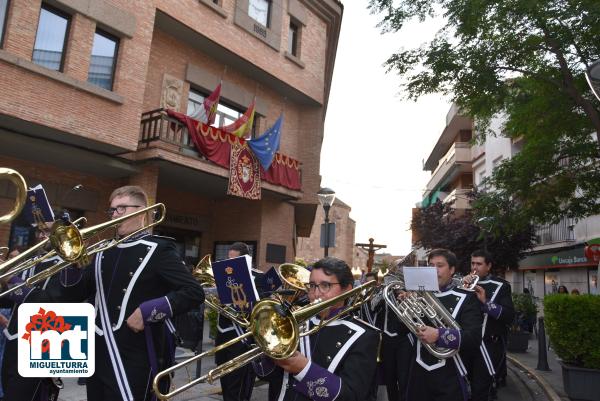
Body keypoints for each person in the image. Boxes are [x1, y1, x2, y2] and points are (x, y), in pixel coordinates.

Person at [58, 185, 204, 401]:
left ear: (142, 211)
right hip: (97, 353)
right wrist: (72, 264)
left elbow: (193, 292)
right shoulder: (101, 251)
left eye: (121, 209)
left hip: (134, 356)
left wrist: (148, 311)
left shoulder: (158, 249)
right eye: (112, 210)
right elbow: (74, 295)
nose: (114, 215)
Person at [253, 257, 379, 401]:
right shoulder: (294, 323)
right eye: (312, 285)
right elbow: (268, 376)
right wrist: (264, 343)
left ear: (347, 290)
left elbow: (351, 395)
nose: (316, 293)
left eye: (325, 285)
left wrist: (304, 369)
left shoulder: (364, 336)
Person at [405, 249, 483, 401]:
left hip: (450, 375)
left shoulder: (466, 298)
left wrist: (439, 335)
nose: (434, 270)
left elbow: (474, 339)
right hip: (418, 373)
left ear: (452, 270)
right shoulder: (418, 296)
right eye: (431, 265)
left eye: (439, 266)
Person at [214, 241, 266, 401]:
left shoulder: (259, 278)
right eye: (228, 259)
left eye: (234, 260)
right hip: (223, 335)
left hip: (243, 338)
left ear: (245, 260)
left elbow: (263, 309)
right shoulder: (223, 276)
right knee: (226, 383)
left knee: (240, 387)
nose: (230, 263)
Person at [466, 250, 515, 400]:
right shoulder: (463, 283)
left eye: (479, 264)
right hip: (467, 344)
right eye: (473, 263)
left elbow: (509, 316)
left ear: (488, 266)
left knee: (481, 389)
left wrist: (486, 302)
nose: (475, 267)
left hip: (488, 345)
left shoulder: (502, 286)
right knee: (465, 385)